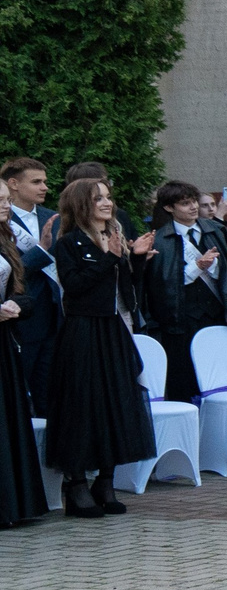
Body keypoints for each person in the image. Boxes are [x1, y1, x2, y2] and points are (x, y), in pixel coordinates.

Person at [42, 178, 155, 516]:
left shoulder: (114, 236)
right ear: (81, 204)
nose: (107, 203)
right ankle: (77, 486)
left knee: (116, 401)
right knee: (82, 404)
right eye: (98, 198)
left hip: (112, 329)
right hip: (83, 330)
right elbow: (74, 286)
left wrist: (136, 260)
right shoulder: (69, 243)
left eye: (108, 197)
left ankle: (105, 481)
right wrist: (109, 259)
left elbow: (125, 287)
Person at [143, 182, 227, 403]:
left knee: (219, 376)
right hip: (181, 319)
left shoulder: (217, 231)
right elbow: (160, 286)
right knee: (184, 378)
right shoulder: (160, 239)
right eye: (185, 203)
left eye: (194, 201)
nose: (193, 207)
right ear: (169, 208)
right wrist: (197, 267)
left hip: (218, 313)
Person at [1, 213, 51, 526]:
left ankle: (12, 505)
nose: (5, 206)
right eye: (0, 200)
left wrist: (18, 305)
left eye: (6, 200)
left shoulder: (5, 240)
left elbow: (21, 291)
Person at [6, 157, 63, 418]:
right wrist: (40, 251)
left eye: (45, 182)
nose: (44, 187)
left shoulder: (54, 217)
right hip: (20, 317)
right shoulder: (3, 219)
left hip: (55, 315)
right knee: (19, 392)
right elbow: (9, 271)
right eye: (36, 182)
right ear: (14, 184)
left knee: (49, 393)